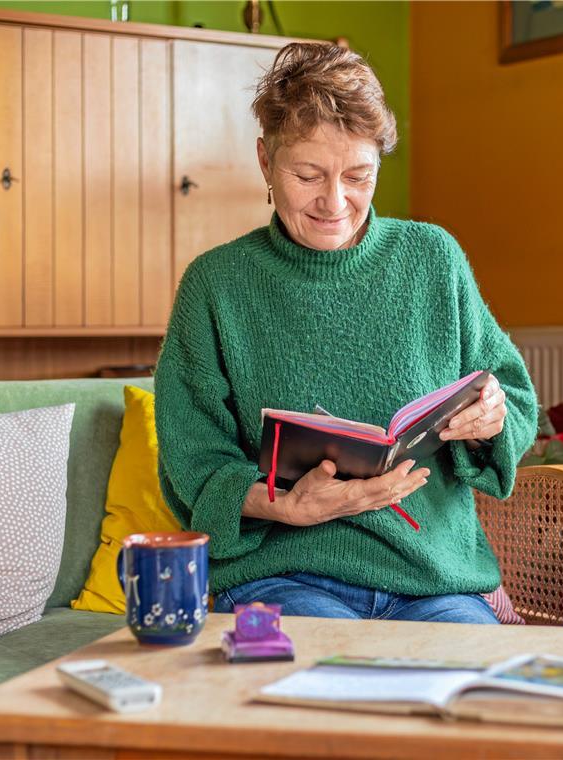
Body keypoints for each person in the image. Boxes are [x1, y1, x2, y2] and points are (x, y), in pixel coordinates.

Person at [154, 42, 537, 624]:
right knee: (326, 692)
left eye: (359, 176)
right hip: (282, 574)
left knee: (471, 697)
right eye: (307, 175)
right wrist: (283, 505)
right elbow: (192, 462)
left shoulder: (433, 258)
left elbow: (511, 393)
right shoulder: (216, 286)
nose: (335, 202)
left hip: (433, 579)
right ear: (265, 161)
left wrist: (491, 416)